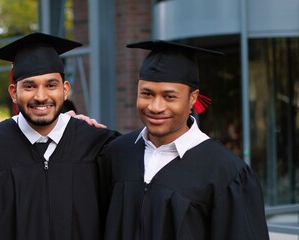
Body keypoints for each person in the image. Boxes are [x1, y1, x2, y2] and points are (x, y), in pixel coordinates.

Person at [102, 40, 269, 240]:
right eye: (146, 94)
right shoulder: (117, 153)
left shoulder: (225, 172)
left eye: (169, 97)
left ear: (193, 98)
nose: (155, 106)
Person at [0, 32, 120, 240]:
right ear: (13, 92)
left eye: (51, 85)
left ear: (65, 90)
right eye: (29, 86)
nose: (40, 97)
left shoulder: (98, 144)